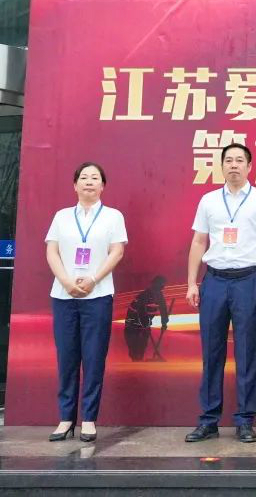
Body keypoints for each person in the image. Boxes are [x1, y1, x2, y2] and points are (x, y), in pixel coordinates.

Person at [184, 144, 256, 444]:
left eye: (240, 160)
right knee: (211, 352)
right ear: (222, 165)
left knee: (247, 352)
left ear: (250, 167)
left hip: (248, 281)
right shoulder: (209, 200)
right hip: (214, 280)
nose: (234, 165)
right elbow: (199, 242)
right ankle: (208, 419)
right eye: (229, 160)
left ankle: (245, 420)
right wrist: (192, 283)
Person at [45, 162, 127, 442]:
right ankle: (66, 418)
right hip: (64, 295)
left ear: (103, 186)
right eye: (83, 177)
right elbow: (52, 251)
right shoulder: (62, 216)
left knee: (93, 358)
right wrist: (66, 281)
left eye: (94, 178)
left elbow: (116, 252)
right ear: (75, 185)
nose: (89, 182)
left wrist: (93, 279)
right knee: (67, 358)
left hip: (98, 295)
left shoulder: (113, 216)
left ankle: (89, 419)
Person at [123, 275, 169, 361]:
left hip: (145, 319)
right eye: (160, 286)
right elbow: (141, 310)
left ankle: (139, 357)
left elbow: (163, 309)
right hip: (132, 320)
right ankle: (135, 357)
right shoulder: (144, 295)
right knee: (133, 340)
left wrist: (164, 323)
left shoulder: (159, 296)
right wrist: (145, 324)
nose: (161, 288)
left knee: (144, 339)